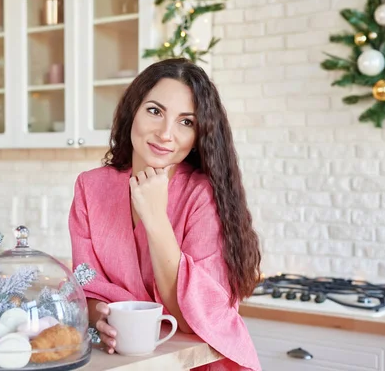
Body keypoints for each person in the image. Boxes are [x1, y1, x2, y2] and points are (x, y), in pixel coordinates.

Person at [69, 58, 261, 371]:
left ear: (199, 135)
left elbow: (188, 319)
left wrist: (155, 216)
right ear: (134, 111)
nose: (165, 133)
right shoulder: (90, 187)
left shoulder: (203, 195)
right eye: (155, 111)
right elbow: (85, 286)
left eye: (186, 122)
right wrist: (99, 316)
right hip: (120, 360)